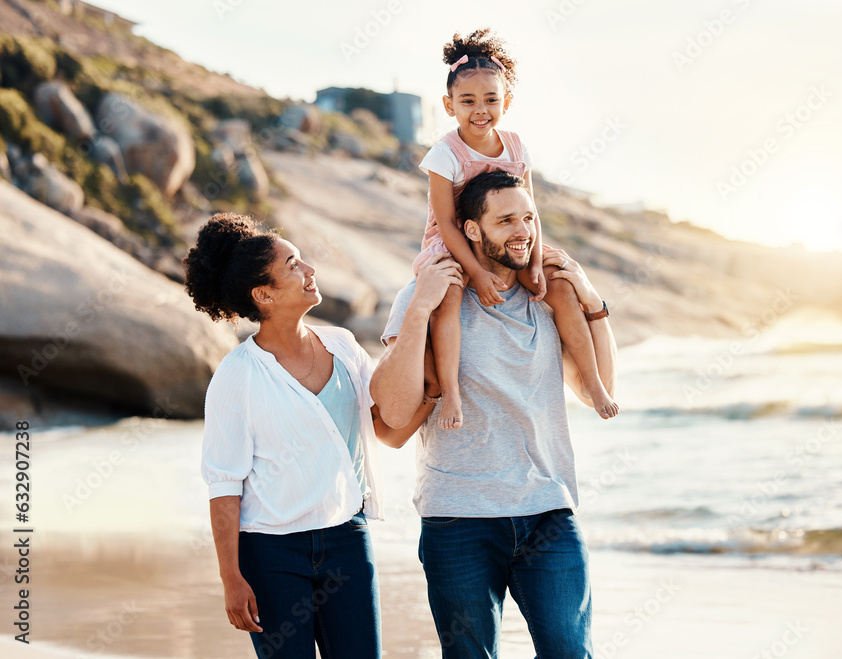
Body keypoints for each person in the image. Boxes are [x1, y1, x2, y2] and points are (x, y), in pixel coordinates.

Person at [372, 171, 618, 658]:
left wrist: (593, 303)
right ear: (471, 230)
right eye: (505, 220)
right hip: (459, 515)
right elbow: (393, 417)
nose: (522, 230)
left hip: (548, 508)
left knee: (570, 652)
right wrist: (419, 307)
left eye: (528, 217)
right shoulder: (432, 294)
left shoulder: (549, 299)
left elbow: (601, 392)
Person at [184, 212, 432, 659]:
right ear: (264, 295)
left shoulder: (344, 346)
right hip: (270, 554)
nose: (310, 271)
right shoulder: (236, 376)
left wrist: (430, 399)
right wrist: (231, 578)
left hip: (347, 540)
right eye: (294, 265)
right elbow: (223, 484)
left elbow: (385, 432)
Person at [413, 28, 618, 430]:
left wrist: (537, 262)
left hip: (508, 237)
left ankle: (593, 382)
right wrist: (477, 272)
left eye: (491, 99)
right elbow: (445, 221)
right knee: (450, 298)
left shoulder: (515, 145)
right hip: (454, 240)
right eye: (467, 101)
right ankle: (452, 393)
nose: (480, 110)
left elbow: (531, 210)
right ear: (448, 105)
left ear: (506, 101)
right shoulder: (445, 153)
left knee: (559, 286)